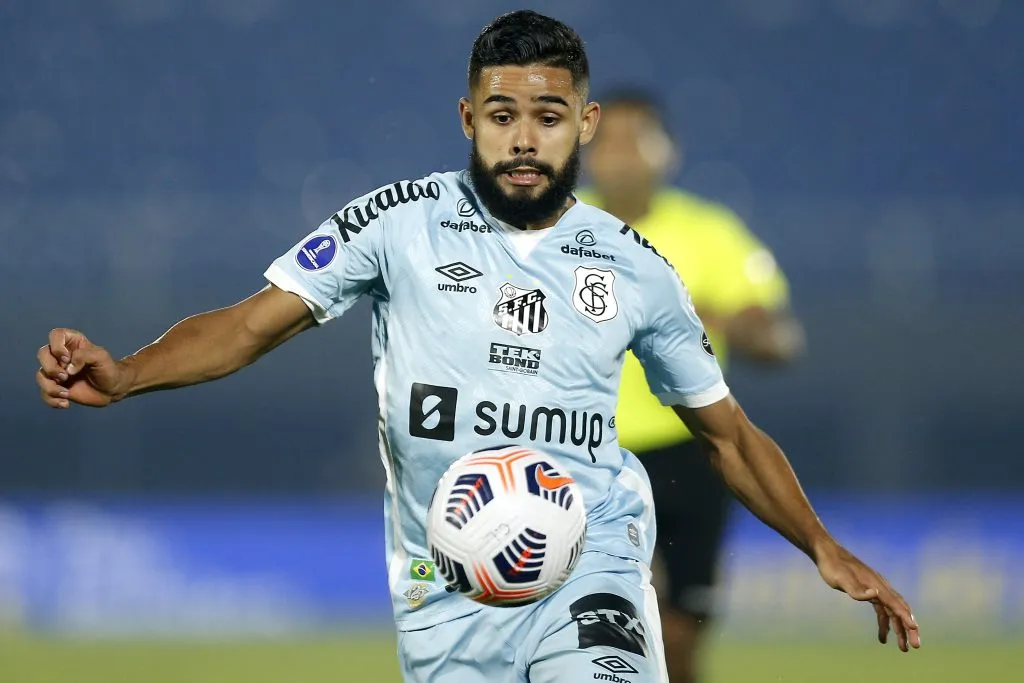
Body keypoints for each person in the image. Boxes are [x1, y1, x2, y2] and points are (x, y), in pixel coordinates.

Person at [35, 10, 919, 682]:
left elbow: (726, 432)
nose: (523, 138)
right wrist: (126, 375)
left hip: (592, 564)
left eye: (548, 114)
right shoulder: (396, 225)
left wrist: (821, 545)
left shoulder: (636, 267)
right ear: (467, 117)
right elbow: (247, 325)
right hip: (445, 590)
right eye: (502, 114)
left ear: (586, 122)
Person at [579, 90, 806, 683]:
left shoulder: (711, 233)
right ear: (587, 150)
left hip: (690, 451)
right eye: (609, 142)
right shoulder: (554, 227)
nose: (622, 156)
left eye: (638, 140)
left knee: (680, 635)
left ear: (668, 152)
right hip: (583, 453)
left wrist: (712, 319)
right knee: (593, 625)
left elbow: (781, 340)